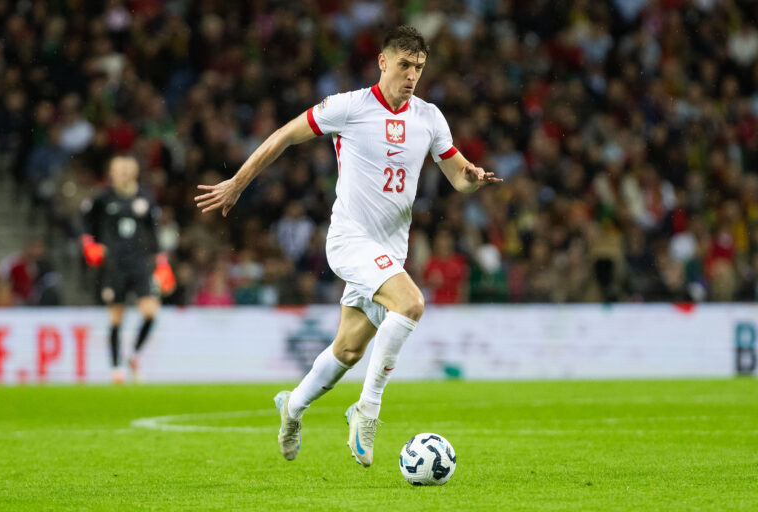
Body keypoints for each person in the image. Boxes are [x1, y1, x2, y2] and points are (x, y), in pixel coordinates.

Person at [194, 26, 501, 467]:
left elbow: (458, 176)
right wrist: (238, 184)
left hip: (390, 252)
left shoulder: (430, 117)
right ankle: (367, 409)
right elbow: (284, 134)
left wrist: (473, 180)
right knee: (411, 304)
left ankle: (292, 407)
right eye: (404, 65)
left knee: (348, 351)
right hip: (349, 240)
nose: (412, 75)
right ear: (382, 61)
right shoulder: (349, 107)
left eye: (419, 67)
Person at [81, 155, 175, 383]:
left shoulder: (145, 197)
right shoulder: (103, 199)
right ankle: (116, 370)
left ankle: (133, 354)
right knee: (116, 317)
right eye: (118, 169)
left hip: (140, 263)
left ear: (134, 172)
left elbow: (153, 231)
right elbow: (86, 225)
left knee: (151, 312)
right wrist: (88, 245)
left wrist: (162, 261)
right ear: (111, 173)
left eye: (127, 168)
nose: (122, 172)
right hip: (114, 265)